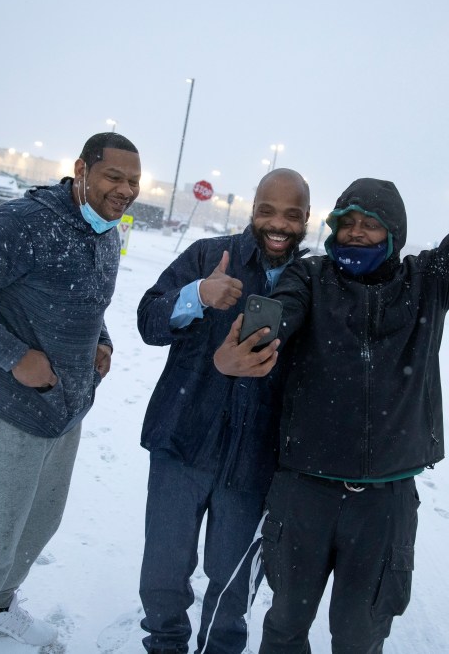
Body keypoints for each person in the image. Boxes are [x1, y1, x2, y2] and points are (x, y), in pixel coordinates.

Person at [214, 85, 449, 653]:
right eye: (346, 222)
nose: (356, 233)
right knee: (285, 625)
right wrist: (258, 334)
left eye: (370, 224)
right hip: (302, 491)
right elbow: (282, 312)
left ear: (394, 233)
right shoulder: (311, 278)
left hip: (385, 502)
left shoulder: (428, 282)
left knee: (360, 635)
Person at [0, 132, 142, 652]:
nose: (126, 189)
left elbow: (90, 301)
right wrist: (15, 356)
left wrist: (101, 341)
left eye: (133, 181)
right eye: (114, 176)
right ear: (81, 169)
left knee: (36, 530)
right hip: (7, 409)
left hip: (65, 410)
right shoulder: (24, 222)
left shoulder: (108, 231)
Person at [136, 168, 311, 653]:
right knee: (165, 571)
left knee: (232, 584)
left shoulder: (313, 281)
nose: (278, 224)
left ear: (306, 220)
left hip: (255, 462)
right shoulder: (209, 256)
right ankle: (165, 646)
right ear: (251, 209)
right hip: (183, 441)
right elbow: (148, 321)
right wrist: (196, 295)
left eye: (291, 215)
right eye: (267, 210)